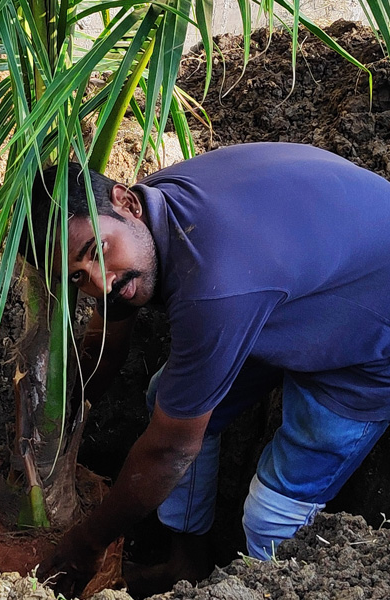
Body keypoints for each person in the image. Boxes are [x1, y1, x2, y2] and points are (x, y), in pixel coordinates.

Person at [22, 142, 390, 596]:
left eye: (96, 250)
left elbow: (170, 452)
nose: (102, 283)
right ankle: (186, 566)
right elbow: (106, 343)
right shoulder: (151, 216)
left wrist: (86, 543)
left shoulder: (213, 286)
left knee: (270, 516)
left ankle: (267, 588)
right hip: (308, 281)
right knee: (167, 398)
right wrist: (63, 424)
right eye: (77, 276)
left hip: (371, 338)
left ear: (126, 202)